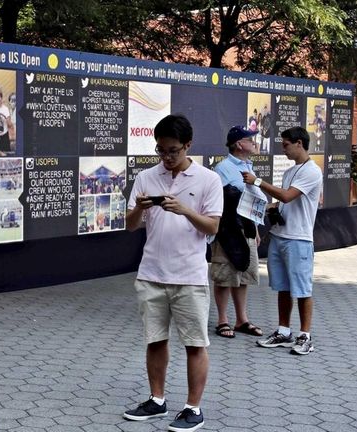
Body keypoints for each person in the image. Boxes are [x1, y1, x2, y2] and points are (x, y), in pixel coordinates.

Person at [123, 114, 223, 432]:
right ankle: (157, 400)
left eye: (173, 151)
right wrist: (140, 207)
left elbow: (212, 226)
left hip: (189, 275)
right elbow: (130, 225)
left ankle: (193, 408)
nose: (166, 157)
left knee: (195, 343)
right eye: (161, 150)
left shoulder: (208, 179)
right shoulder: (147, 177)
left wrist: (184, 209)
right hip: (151, 272)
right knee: (155, 340)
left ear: (188, 146)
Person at [241, 126, 323, 355]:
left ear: (299, 143)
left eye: (286, 144)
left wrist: (257, 182)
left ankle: (305, 336)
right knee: (283, 288)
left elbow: (287, 196)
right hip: (279, 235)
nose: (283, 149)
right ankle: (284, 331)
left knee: (303, 290)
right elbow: (283, 202)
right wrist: (263, 209)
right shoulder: (290, 172)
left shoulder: (312, 171)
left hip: (299, 239)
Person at [210, 125, 263, 339]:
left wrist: (256, 229)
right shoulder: (222, 168)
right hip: (227, 231)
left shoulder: (250, 167)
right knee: (224, 276)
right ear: (240, 144)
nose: (255, 143)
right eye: (251, 139)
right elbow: (216, 202)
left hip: (247, 228)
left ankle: (242, 320)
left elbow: (253, 201)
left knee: (243, 276)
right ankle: (222, 320)